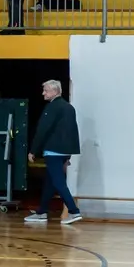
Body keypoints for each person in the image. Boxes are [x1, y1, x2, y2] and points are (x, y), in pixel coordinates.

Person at [25, 79, 83, 226]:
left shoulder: (52, 108)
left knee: (58, 182)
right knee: (50, 182)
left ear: (55, 91)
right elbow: (72, 131)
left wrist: (33, 150)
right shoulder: (69, 108)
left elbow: (42, 129)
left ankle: (74, 211)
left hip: (53, 151)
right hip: (63, 152)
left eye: (46, 90)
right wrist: (68, 155)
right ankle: (41, 212)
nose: (43, 93)